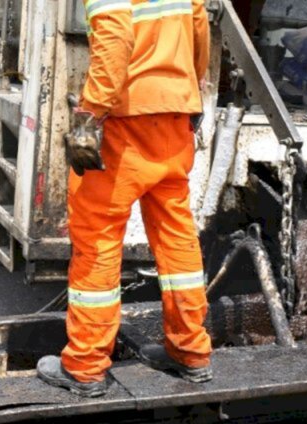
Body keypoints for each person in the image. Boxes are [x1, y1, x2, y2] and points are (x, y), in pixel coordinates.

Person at [36, 0, 213, 397]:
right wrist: (187, 93)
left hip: (125, 123)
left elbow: (115, 36)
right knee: (176, 238)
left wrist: (90, 113)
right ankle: (191, 351)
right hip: (175, 117)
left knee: (97, 240)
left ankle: (84, 365)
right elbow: (199, 30)